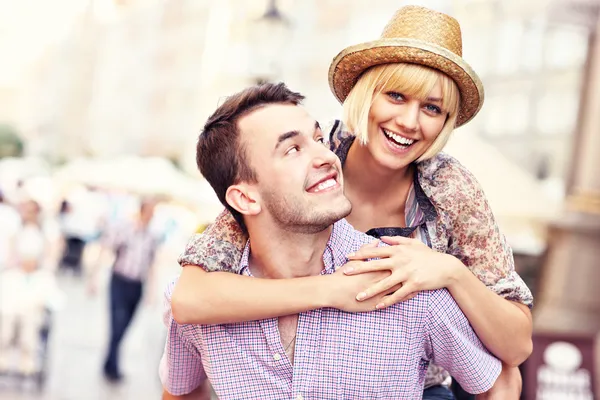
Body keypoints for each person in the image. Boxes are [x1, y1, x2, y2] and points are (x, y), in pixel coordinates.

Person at [172, 6, 532, 399]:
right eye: (396, 96)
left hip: (418, 384)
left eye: (432, 108)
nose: (410, 122)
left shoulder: (450, 188)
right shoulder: (315, 162)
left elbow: (514, 352)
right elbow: (190, 298)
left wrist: (450, 272)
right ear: (366, 94)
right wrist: (331, 290)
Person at [88, 199, 162, 382]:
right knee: (117, 324)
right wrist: (94, 278)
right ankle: (112, 368)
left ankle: (109, 363)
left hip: (136, 285)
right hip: (119, 281)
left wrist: (152, 291)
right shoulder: (126, 230)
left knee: (125, 325)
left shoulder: (152, 237)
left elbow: (152, 264)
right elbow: (106, 249)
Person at [0, 199, 61, 376]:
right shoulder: (16, 234)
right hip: (16, 284)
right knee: (7, 314)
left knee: (31, 318)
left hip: (33, 285)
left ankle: (27, 357)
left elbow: (50, 259)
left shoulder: (44, 235)